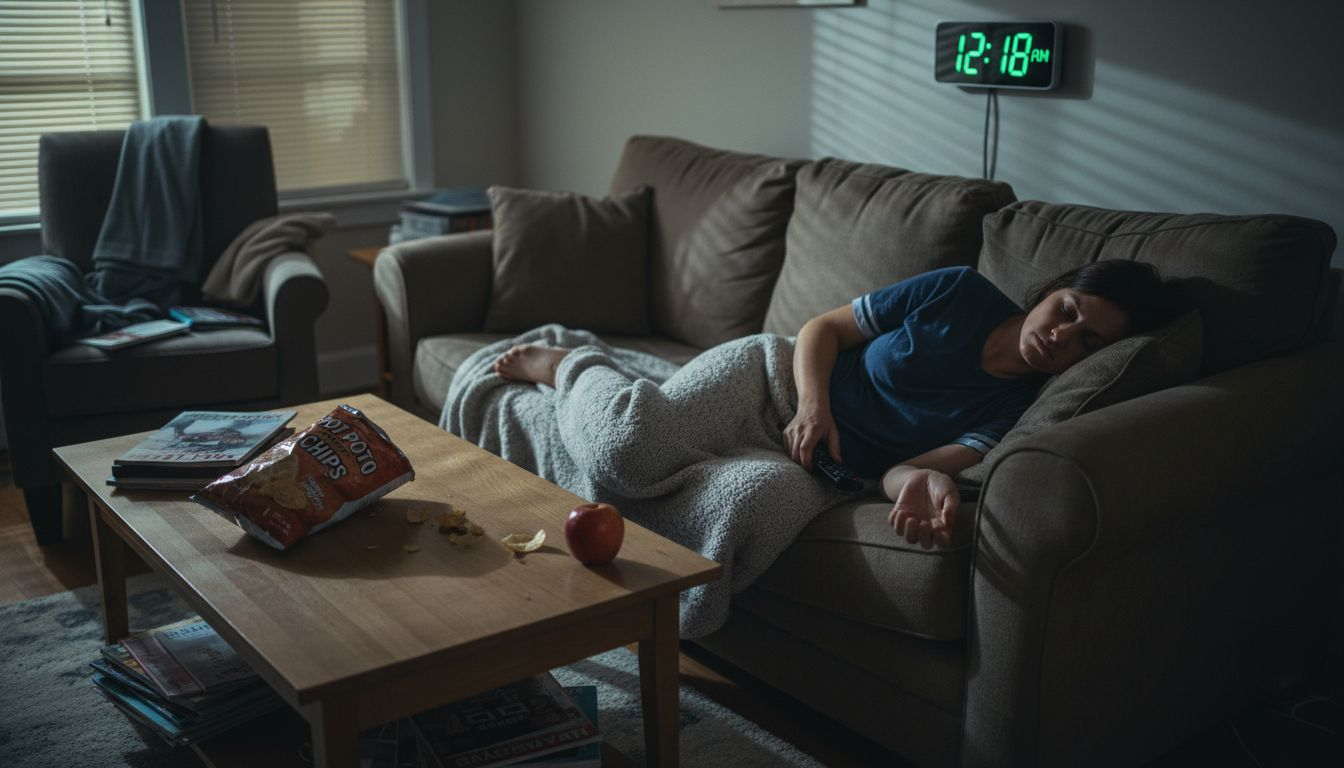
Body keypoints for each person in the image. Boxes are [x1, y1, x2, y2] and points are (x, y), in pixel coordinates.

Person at [492, 262, 1182, 550]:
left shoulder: (1012, 410)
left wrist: (921, 481)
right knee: (629, 447)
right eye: (1066, 311)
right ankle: (573, 366)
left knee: (748, 510)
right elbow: (824, 329)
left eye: (1084, 341)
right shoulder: (960, 292)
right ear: (1054, 291)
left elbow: (903, 470)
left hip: (819, 469)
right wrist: (814, 406)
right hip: (778, 380)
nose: (1060, 337)